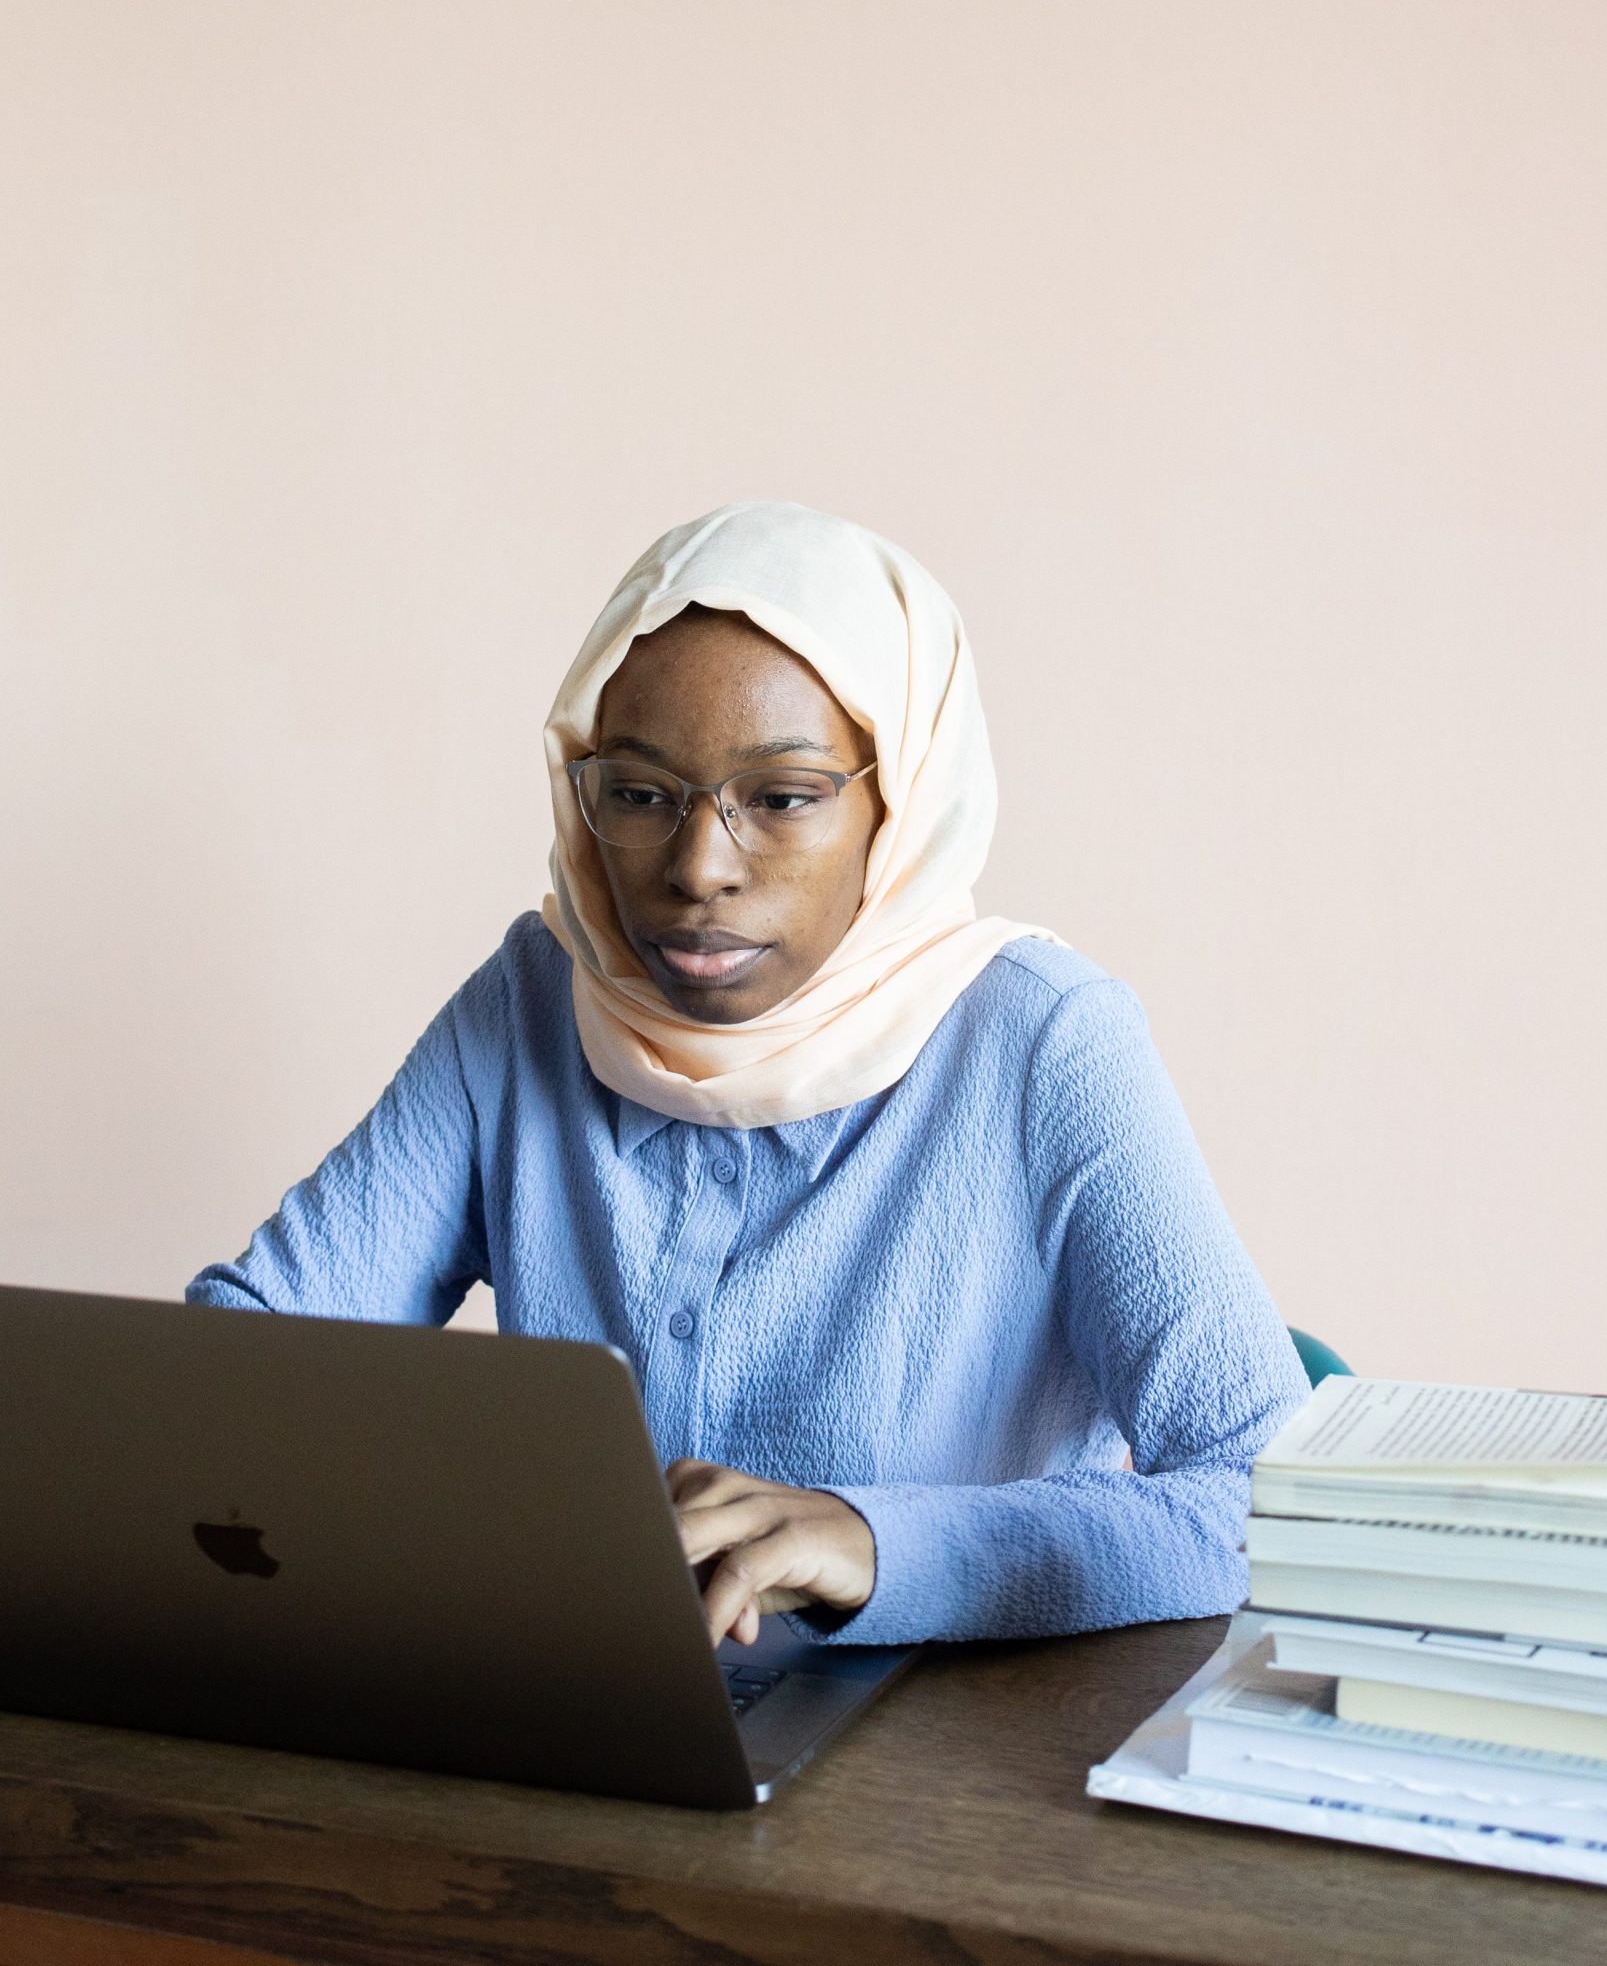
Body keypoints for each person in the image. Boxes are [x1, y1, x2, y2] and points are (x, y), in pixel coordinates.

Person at [188, 499, 1307, 1649]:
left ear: (900, 803)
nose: (698, 866)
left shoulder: (1045, 1045)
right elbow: (249, 1351)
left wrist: (877, 1542)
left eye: (781, 797)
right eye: (635, 793)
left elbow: (1265, 1499)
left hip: (931, 1766)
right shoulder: (537, 996)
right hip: (581, 1715)